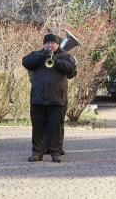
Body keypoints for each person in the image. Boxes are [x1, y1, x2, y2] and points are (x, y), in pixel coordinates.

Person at [22, 33, 77, 163]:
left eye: (53, 43)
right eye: (47, 43)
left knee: (55, 128)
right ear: (44, 44)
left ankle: (56, 152)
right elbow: (25, 62)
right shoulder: (36, 54)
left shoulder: (66, 56)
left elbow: (72, 70)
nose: (50, 45)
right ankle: (37, 153)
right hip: (38, 98)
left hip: (57, 98)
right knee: (37, 128)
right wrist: (40, 56)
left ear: (57, 44)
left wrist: (57, 61)